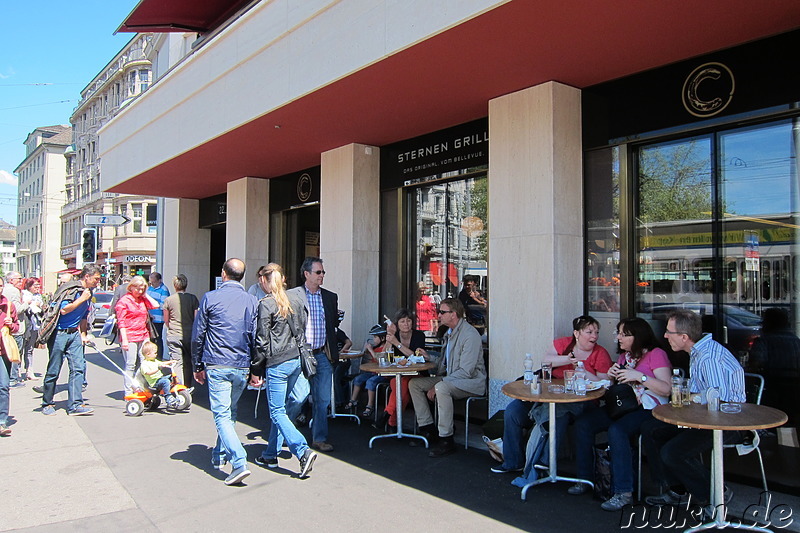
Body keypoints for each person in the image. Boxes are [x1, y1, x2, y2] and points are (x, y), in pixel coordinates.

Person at [641, 309, 745, 508]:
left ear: (684, 337)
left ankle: (714, 495)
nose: (664, 336)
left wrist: (689, 397)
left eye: (668, 332)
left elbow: (718, 400)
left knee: (672, 453)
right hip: (703, 417)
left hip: (727, 422)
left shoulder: (708, 357)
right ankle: (678, 490)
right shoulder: (698, 351)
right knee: (651, 429)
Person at [571, 317, 672, 511]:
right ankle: (584, 479)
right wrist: (611, 376)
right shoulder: (625, 357)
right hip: (623, 406)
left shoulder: (656, 354)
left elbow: (666, 389)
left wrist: (640, 377)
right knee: (584, 423)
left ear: (638, 336)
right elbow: (614, 388)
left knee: (618, 431)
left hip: (648, 408)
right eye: (618, 333)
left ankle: (623, 492)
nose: (618, 338)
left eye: (623, 334)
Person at [491, 315, 613, 474]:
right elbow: (546, 362)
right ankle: (513, 461)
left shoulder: (600, 353)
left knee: (557, 415)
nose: (594, 336)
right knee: (513, 411)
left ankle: (544, 462)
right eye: (589, 332)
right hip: (547, 393)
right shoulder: (563, 344)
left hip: (581, 399)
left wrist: (581, 370)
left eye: (596, 332)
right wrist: (569, 359)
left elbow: (605, 384)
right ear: (577, 334)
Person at [192, 258, 258, 486]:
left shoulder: (211, 297)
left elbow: (199, 334)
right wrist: (255, 368)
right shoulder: (251, 300)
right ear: (243, 276)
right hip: (241, 363)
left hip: (217, 362)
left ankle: (239, 462)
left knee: (222, 414)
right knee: (230, 412)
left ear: (223, 274)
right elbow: (255, 336)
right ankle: (219, 455)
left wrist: (197, 365)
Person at [250, 263, 318, 477]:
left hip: (278, 362)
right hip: (296, 359)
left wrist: (256, 370)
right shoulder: (296, 299)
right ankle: (270, 453)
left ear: (263, 280)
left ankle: (302, 450)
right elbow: (303, 327)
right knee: (284, 409)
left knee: (277, 411)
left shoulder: (266, 303)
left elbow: (261, 340)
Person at [409, 298, 486, 457]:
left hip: (472, 382)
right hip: (451, 378)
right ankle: (428, 429)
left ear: (454, 314)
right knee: (414, 384)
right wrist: (429, 357)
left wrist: (440, 382)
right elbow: (445, 365)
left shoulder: (469, 335)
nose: (439, 315)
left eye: (443, 312)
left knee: (441, 388)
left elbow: (466, 371)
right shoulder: (449, 333)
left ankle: (446, 439)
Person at [287, 257, 339, 453]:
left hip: (322, 354)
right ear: (306, 274)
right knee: (297, 397)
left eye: (323, 272)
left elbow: (333, 325)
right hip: (300, 354)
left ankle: (319, 438)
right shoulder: (294, 296)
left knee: (323, 399)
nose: (322, 276)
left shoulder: (330, 297)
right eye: (318, 272)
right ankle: (286, 433)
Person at [41, 265, 102, 416]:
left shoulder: (88, 293)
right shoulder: (72, 290)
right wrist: (82, 299)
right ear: (86, 277)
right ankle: (47, 402)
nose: (97, 282)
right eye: (96, 279)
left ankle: (75, 404)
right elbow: (64, 309)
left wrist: (83, 334)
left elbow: (83, 316)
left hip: (74, 333)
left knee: (78, 368)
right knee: (54, 370)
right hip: (59, 333)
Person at [378, 308, 428, 432]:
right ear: (397, 324)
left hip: (417, 373)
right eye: (402, 321)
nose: (406, 324)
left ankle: (390, 418)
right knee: (402, 385)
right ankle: (392, 421)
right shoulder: (394, 336)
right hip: (397, 374)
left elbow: (416, 357)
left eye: (409, 321)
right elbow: (384, 357)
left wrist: (397, 343)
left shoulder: (418, 335)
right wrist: (391, 337)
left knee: (403, 385)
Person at [748, 307, 800, 424]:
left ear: (768, 324)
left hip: (772, 389)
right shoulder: (796, 341)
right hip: (796, 389)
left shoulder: (764, 341)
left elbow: (755, 364)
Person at [116, 276, 158, 394]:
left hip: (143, 334)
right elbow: (121, 321)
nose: (139, 291)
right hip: (129, 336)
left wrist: (146, 295)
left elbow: (155, 305)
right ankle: (128, 391)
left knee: (146, 362)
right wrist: (124, 340)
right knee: (130, 364)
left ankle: (139, 385)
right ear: (131, 287)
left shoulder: (142, 299)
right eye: (137, 289)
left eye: (142, 289)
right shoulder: (124, 301)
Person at [343, 324, 388, 418]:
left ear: (383, 338)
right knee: (358, 379)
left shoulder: (386, 348)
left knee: (371, 382)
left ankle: (370, 405)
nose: (374, 339)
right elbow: (366, 353)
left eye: (375, 337)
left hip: (382, 374)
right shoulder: (375, 348)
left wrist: (371, 350)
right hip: (372, 372)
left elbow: (379, 358)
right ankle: (353, 400)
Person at [162, 274, 200, 385]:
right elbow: (196, 318)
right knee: (188, 361)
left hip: (174, 334)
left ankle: (179, 386)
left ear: (175, 286)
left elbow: (166, 320)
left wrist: (171, 327)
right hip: (189, 334)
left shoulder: (168, 300)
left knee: (177, 362)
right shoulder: (193, 299)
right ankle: (187, 386)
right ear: (186, 285)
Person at [0, 276, 20, 436]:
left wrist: (10, 325)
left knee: (4, 386)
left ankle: (2, 421)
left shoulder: (8, 306)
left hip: (3, 352)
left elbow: (16, 327)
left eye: (0, 286)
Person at [3, 272, 28, 387]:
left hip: (7, 328)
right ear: (11, 280)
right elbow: (17, 310)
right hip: (14, 329)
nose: (21, 280)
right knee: (14, 353)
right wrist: (27, 303)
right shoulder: (13, 291)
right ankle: (13, 378)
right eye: (19, 279)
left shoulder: (6, 290)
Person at [139, 341, 179, 408]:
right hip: (154, 382)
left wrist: (171, 362)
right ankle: (168, 397)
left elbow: (162, 363)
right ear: (148, 354)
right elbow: (148, 373)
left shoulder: (154, 360)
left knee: (173, 377)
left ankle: (181, 390)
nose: (156, 354)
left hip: (160, 378)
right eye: (155, 353)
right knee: (166, 382)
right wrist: (158, 369)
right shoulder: (144, 364)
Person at [20, 278, 43, 382]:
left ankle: (29, 371)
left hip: (35, 326)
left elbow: (40, 308)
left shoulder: (38, 296)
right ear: (28, 286)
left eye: (38, 285)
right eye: (35, 285)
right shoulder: (24, 294)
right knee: (20, 349)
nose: (37, 287)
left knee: (30, 349)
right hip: (25, 326)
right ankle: (17, 372)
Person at [332, 309, 354, 408]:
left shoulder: (337, 332)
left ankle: (339, 402)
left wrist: (340, 352)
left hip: (342, 361)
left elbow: (349, 342)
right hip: (334, 361)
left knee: (335, 377)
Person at [147, 272, 170, 360]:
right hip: (149, 318)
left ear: (159, 280)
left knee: (157, 339)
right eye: (151, 281)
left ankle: (159, 357)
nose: (152, 283)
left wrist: (152, 305)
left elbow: (163, 305)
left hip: (158, 319)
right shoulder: (149, 289)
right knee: (150, 339)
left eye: (154, 281)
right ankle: (150, 356)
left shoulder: (164, 290)